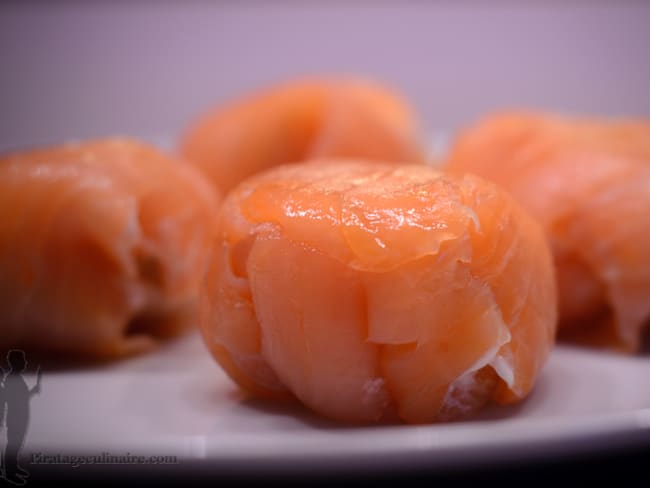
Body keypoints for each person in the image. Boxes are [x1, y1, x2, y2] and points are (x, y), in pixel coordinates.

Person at [1, 350, 40, 485]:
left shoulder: (16, 378)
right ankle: (9, 473)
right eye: (23, 360)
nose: (26, 362)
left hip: (20, 417)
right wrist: (32, 392)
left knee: (16, 444)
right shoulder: (13, 379)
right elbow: (15, 399)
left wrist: (33, 391)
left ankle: (13, 467)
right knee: (13, 445)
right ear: (16, 362)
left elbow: (21, 398)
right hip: (15, 418)